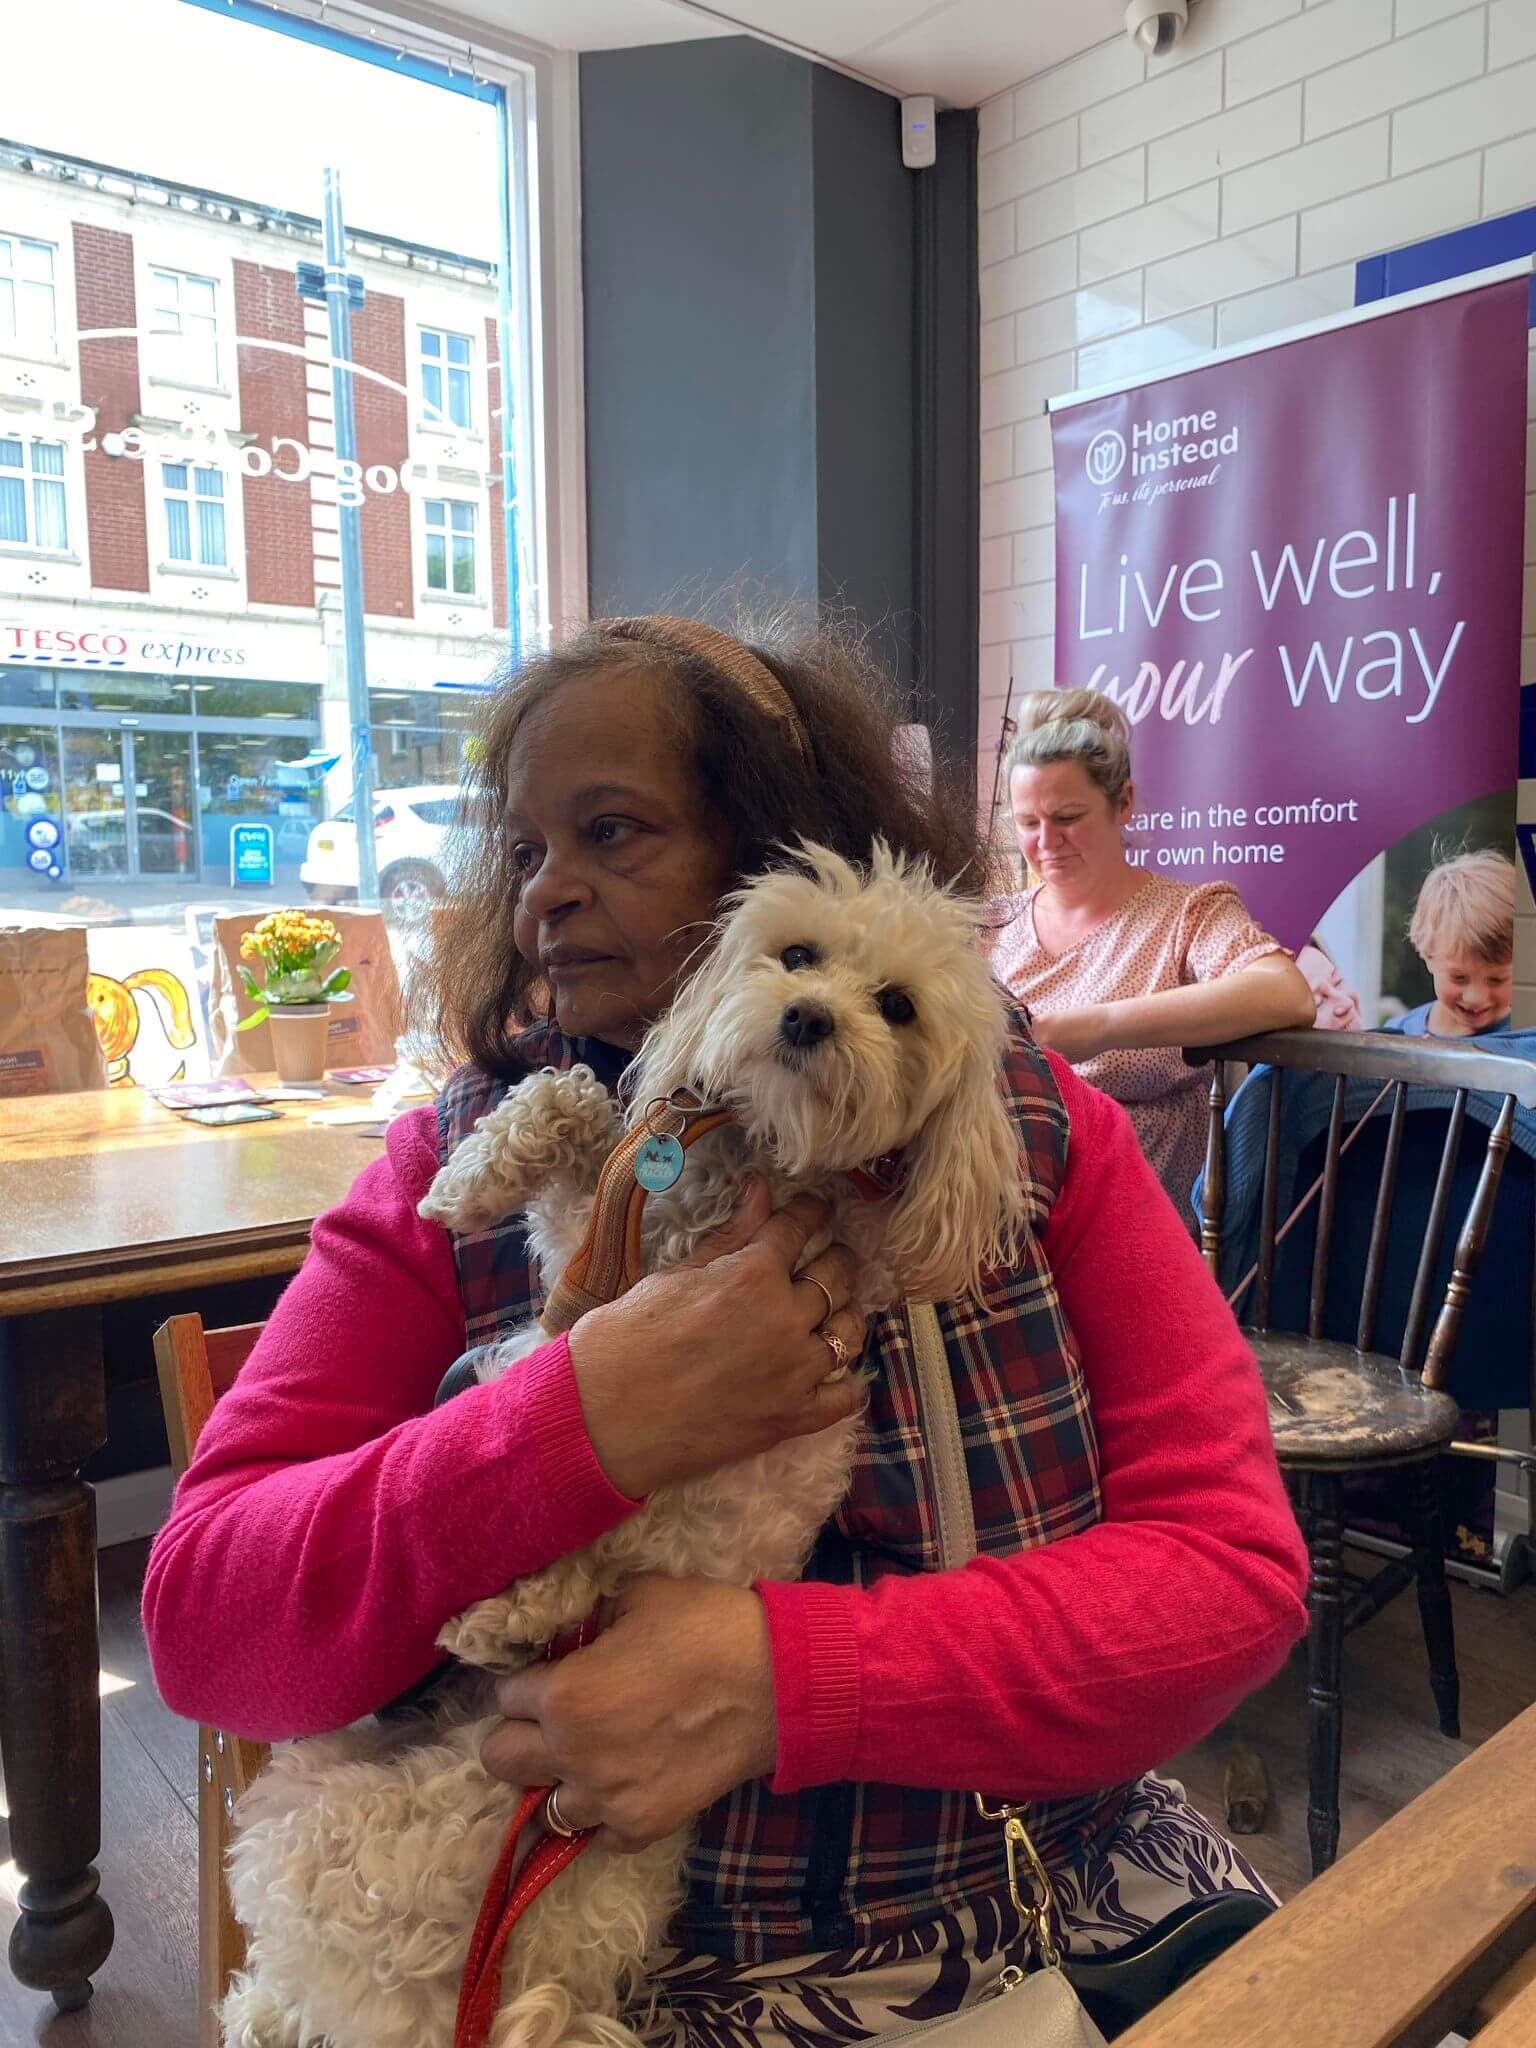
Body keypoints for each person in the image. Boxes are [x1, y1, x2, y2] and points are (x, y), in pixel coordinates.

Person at [143, 616, 1308, 2047]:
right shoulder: (454, 1170)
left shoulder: (1042, 1143)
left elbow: (1232, 1578)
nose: (544, 900)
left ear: (776, 853)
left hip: (1018, 1936)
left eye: (611, 833)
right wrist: (583, 1421)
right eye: (521, 853)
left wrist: (780, 1680)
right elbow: (207, 1617)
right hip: (564, 1981)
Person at [990, 690, 1315, 1225]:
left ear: (1125, 803)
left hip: (1136, 1228)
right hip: (1006, 1223)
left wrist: (1095, 1027)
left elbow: (1286, 992)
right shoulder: (992, 928)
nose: (1047, 842)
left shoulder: (1186, 914)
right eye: (1028, 823)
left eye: (1068, 816)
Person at [1388, 847, 1515, 1038]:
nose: (1475, 998)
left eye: (1497, 980)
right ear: (1429, 956)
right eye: (1458, 977)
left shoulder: (1525, 1040)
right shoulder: (1398, 1034)